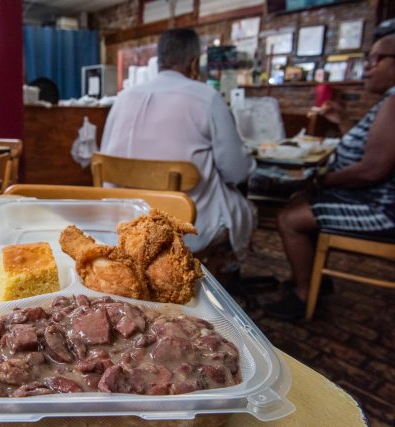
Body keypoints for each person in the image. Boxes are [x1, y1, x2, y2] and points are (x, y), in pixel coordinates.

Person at [100, 28, 256, 269]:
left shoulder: (123, 98)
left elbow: (105, 156)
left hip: (123, 224)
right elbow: (237, 172)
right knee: (244, 208)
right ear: (194, 63)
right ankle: (216, 280)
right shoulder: (207, 98)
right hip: (186, 226)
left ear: (159, 60)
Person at [264, 34, 395, 320]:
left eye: (378, 59)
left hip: (382, 208)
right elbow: (368, 152)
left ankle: (303, 295)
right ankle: (313, 278)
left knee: (289, 217)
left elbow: (373, 169)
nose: (368, 67)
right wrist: (344, 122)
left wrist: (321, 181)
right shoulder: (387, 101)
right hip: (372, 197)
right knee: (299, 200)